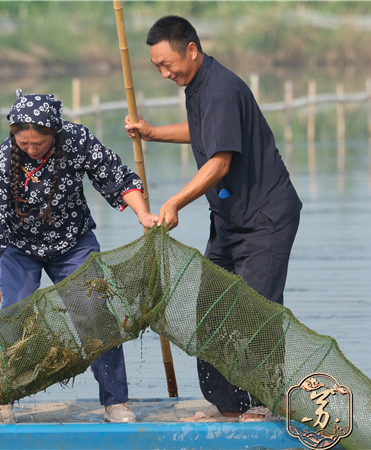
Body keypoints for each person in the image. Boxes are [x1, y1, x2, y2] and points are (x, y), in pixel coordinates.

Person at [124, 16, 302, 422]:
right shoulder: (199, 85)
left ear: (191, 49)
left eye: (168, 64)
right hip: (228, 219)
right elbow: (204, 131)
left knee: (257, 311)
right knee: (212, 311)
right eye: (157, 68)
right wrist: (153, 133)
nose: (165, 73)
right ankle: (228, 403)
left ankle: (264, 401)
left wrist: (174, 203)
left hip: (264, 219)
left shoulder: (220, 88)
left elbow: (220, 160)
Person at [0, 90, 158, 424]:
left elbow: (117, 177)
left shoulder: (76, 140)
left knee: (95, 315)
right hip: (21, 249)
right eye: (24, 143)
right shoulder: (5, 160)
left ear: (54, 133)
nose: (30, 149)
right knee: (14, 319)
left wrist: (143, 215)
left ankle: (116, 402)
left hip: (74, 243)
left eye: (38, 143)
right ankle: (2, 400)